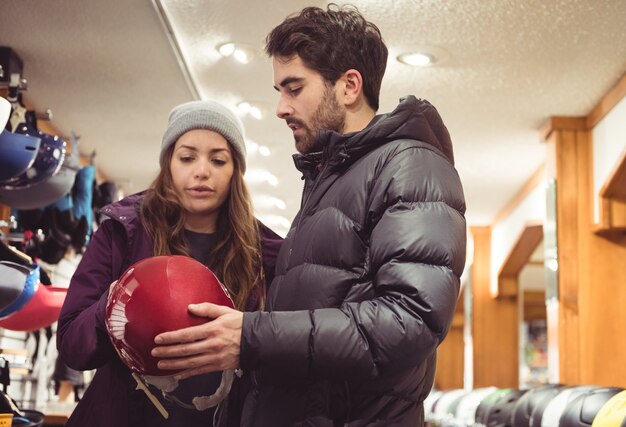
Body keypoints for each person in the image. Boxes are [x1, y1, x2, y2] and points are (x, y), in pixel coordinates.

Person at [152, 4, 467, 426]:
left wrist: (250, 336)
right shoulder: (331, 177)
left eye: (294, 88)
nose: (281, 107)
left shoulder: (410, 167)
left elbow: (408, 321)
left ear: (349, 86)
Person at [56, 100, 283, 427]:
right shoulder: (123, 232)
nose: (202, 171)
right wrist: (114, 303)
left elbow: (278, 356)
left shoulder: (266, 253)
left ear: (236, 170)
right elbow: (72, 347)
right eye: (187, 157)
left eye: (218, 160)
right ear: (169, 163)